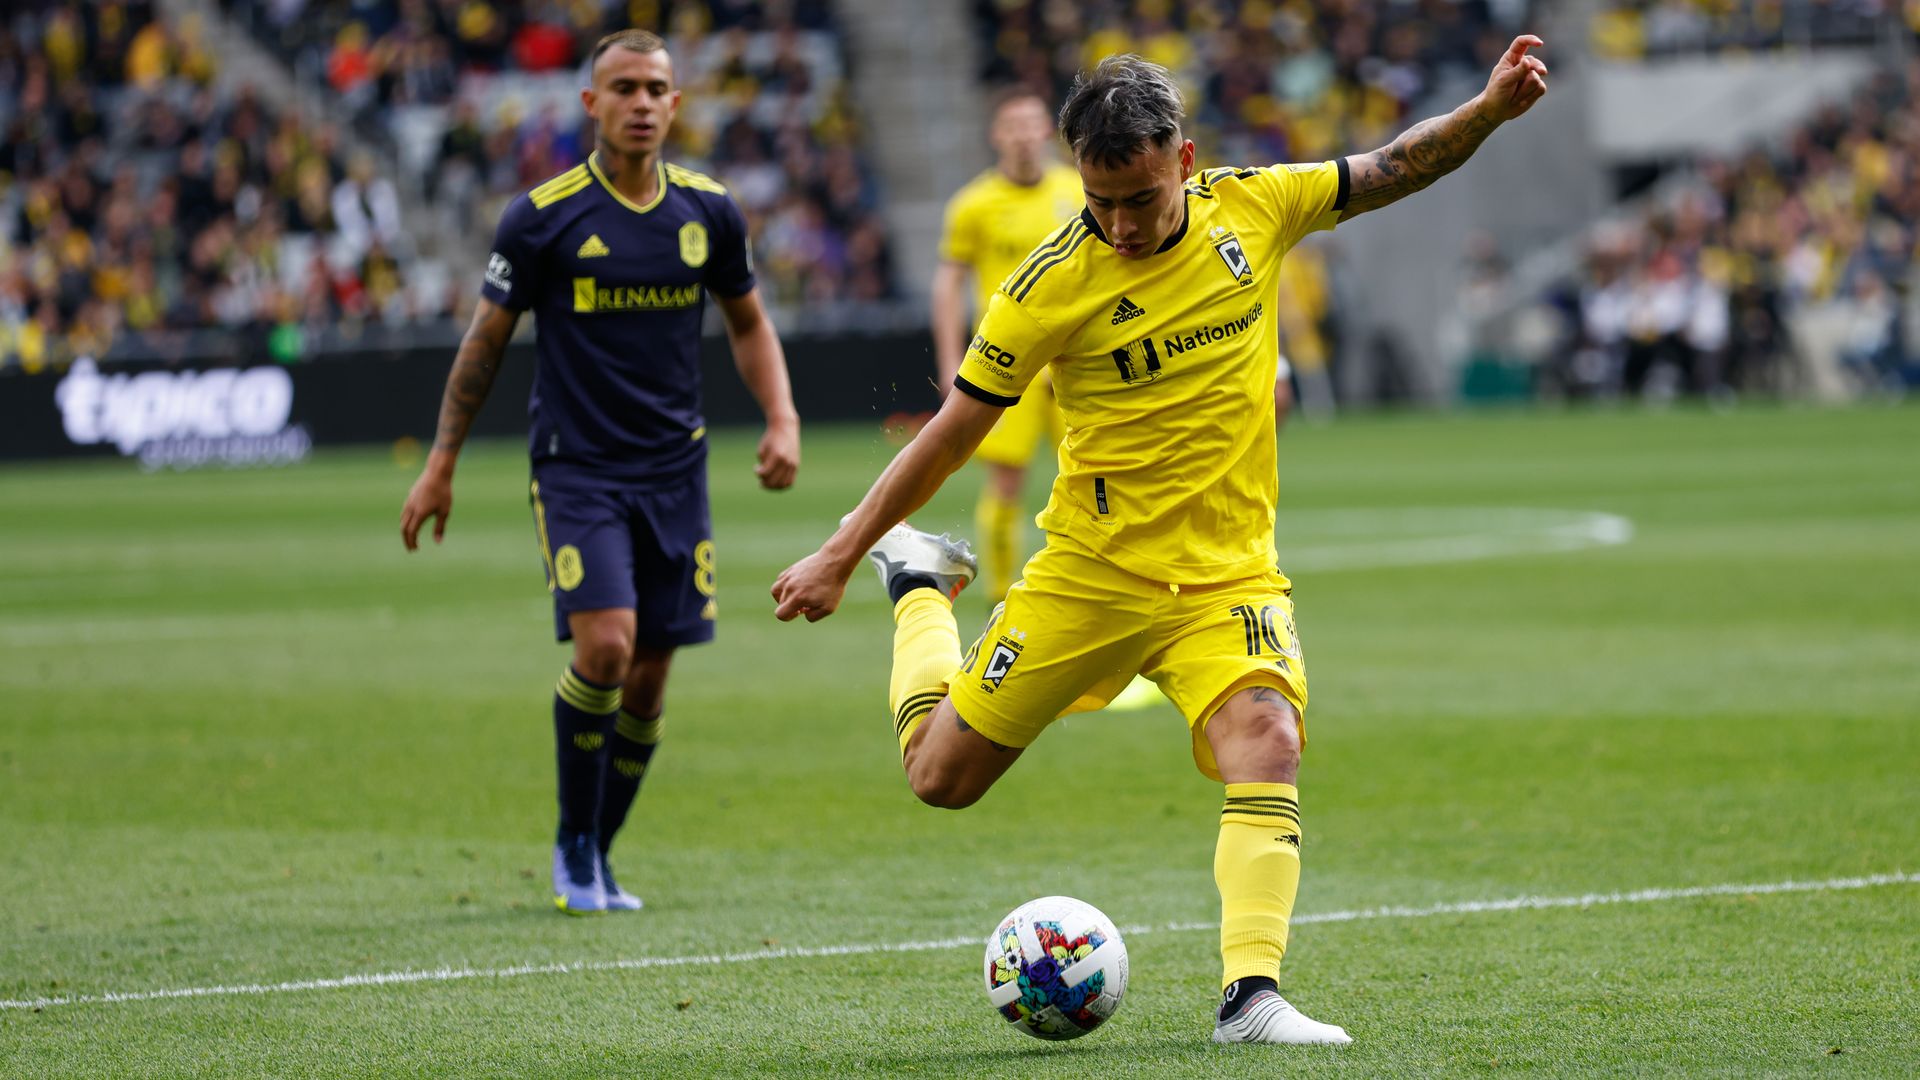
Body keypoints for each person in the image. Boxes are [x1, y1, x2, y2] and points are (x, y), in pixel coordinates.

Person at [773, 42, 1547, 1044]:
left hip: (1229, 576)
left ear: (1183, 160)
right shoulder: (1046, 284)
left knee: (1269, 737)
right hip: (1091, 575)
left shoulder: (1257, 208)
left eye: (1139, 198)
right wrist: (844, 550)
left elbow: (1393, 165)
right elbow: (951, 432)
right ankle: (920, 583)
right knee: (939, 778)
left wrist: (1485, 110)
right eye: (1101, 202)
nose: (1123, 225)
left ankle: (1250, 997)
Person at [401, 29, 801, 916]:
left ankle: (600, 852)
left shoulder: (709, 213)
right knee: (607, 648)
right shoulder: (542, 217)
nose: (642, 103)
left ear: (676, 102)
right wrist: (441, 464)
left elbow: (747, 323)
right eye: (623, 87)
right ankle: (573, 844)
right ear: (591, 104)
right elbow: (485, 345)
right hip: (577, 469)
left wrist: (781, 416)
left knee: (651, 678)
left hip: (677, 475)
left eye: (657, 87)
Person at [930, 87, 1084, 602]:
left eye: (1031, 124)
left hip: (1075, 362)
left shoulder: (1078, 188)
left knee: (1095, 478)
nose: (1022, 136)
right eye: (1011, 126)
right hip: (1006, 362)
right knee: (1006, 480)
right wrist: (953, 361)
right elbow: (948, 284)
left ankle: (1092, 590)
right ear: (997, 136)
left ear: (1048, 131)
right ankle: (1001, 598)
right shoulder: (973, 204)